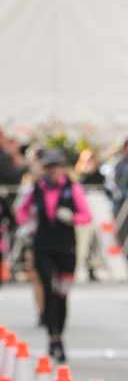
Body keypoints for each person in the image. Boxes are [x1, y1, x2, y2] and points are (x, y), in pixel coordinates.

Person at [15, 151, 92, 362]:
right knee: (48, 290)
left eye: (57, 167)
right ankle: (53, 337)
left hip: (66, 247)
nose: (53, 171)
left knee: (62, 294)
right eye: (49, 167)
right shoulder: (36, 189)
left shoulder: (72, 189)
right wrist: (27, 223)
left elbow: (87, 216)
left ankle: (59, 334)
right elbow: (21, 211)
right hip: (43, 245)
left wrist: (72, 217)